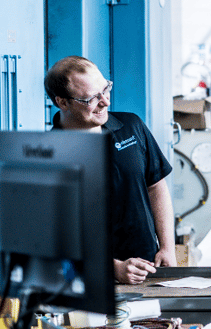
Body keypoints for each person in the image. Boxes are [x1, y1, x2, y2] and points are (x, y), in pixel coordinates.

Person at [45, 56, 176, 285]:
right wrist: (114, 268)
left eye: (105, 89)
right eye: (91, 98)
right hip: (84, 281)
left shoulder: (131, 127)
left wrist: (167, 247)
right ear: (62, 102)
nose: (105, 101)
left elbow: (156, 187)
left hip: (148, 269)